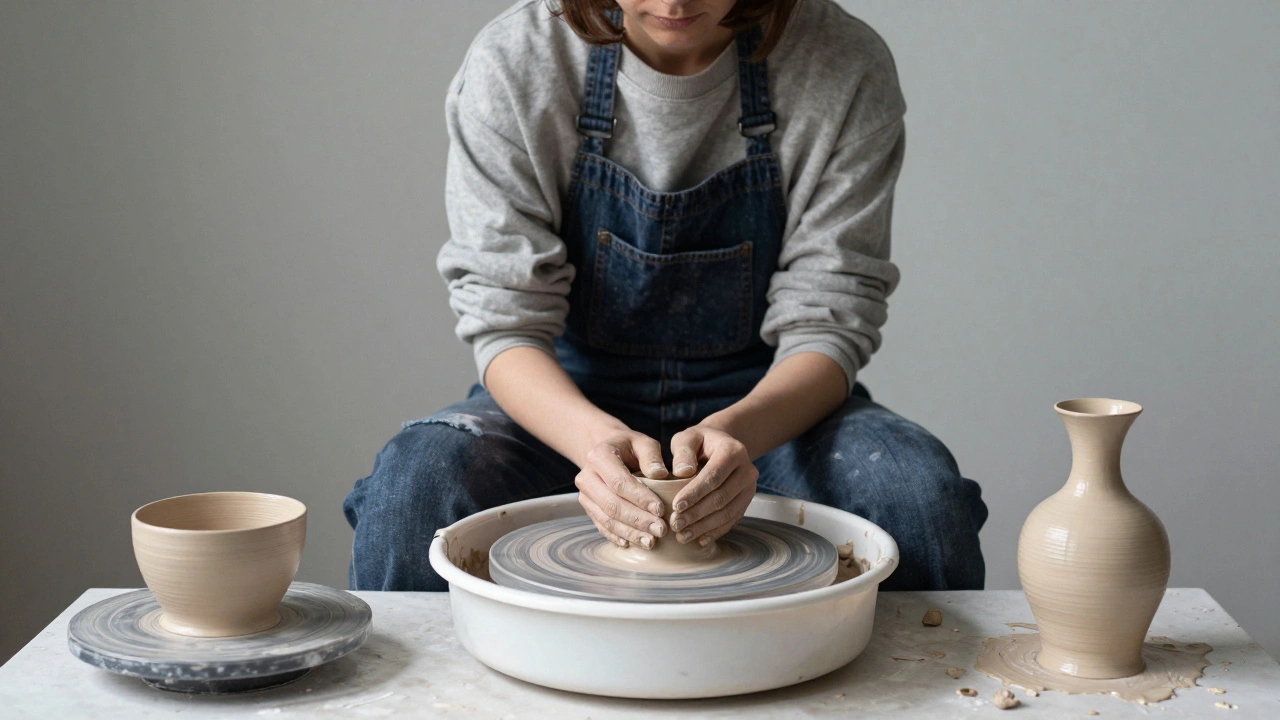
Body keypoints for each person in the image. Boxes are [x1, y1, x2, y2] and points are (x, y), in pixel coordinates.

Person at [343, 0, 988, 592]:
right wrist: (593, 441)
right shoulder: (518, 60)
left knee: (916, 496)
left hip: (766, 404)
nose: (676, 3)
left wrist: (738, 430)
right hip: (565, 403)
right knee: (415, 488)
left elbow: (830, 319)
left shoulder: (841, 63)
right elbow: (504, 319)